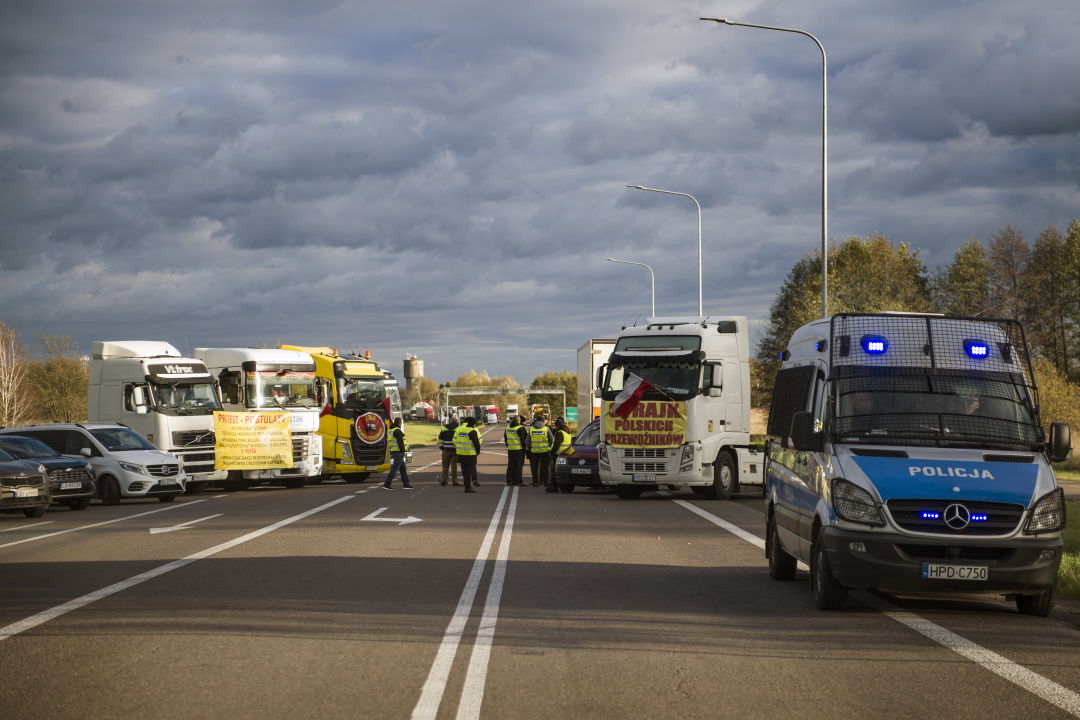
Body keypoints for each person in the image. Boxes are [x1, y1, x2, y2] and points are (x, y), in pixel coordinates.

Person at [382, 418, 413, 489]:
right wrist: (403, 450)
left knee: (403, 468)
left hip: (394, 451)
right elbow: (400, 442)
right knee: (395, 469)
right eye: (401, 423)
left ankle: (406, 484)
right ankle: (387, 484)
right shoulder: (397, 431)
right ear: (399, 423)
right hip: (399, 452)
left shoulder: (391, 430)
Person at [455, 416, 482, 492]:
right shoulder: (472, 431)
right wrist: (478, 452)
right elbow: (477, 444)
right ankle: (468, 488)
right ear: (473, 424)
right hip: (470, 455)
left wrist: (459, 448)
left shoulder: (460, 429)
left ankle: (467, 487)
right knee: (469, 472)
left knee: (465, 471)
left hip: (461, 454)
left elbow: (454, 440)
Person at [527, 413, 553, 488]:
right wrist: (549, 447)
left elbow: (527, 442)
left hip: (534, 452)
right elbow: (551, 439)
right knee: (545, 467)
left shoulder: (531, 429)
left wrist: (530, 449)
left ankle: (535, 482)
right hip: (545, 451)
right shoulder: (546, 429)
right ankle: (546, 482)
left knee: (535, 468)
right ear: (543, 421)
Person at [549, 418, 575, 493]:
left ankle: (554, 487)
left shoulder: (559, 433)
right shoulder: (568, 431)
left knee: (554, 471)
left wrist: (552, 452)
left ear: (557, 426)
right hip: (566, 453)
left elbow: (557, 445)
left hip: (558, 454)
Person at [504, 415, 528, 486]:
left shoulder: (508, 427)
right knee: (519, 466)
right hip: (519, 450)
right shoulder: (520, 428)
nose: (520, 422)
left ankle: (509, 481)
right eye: (519, 420)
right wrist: (524, 450)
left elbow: (505, 438)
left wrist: (508, 446)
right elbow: (523, 440)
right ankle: (519, 481)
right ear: (517, 421)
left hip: (511, 449)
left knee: (510, 465)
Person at [438, 416, 461, 486]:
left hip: (445, 449)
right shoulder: (458, 428)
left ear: (450, 421)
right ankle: (454, 481)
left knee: (445, 466)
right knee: (454, 466)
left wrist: (442, 448)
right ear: (457, 421)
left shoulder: (444, 428)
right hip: (454, 450)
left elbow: (440, 440)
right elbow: (459, 439)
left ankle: (443, 481)